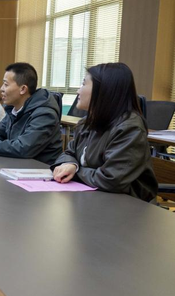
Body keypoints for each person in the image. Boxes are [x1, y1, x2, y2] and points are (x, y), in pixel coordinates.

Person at [51, 63, 157, 201]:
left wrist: (76, 170)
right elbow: (69, 153)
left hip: (128, 205)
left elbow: (111, 179)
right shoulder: (86, 122)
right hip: (91, 198)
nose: (78, 91)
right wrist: (71, 164)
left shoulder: (129, 128)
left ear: (103, 90)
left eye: (83, 84)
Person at [0, 62, 62, 165]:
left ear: (23, 89)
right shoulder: (14, 110)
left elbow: (23, 148)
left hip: (39, 169)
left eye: (6, 85)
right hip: (16, 166)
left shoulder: (45, 114)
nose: (1, 89)